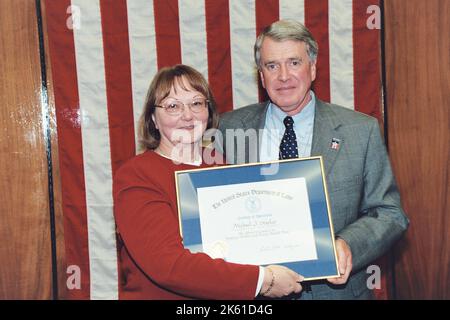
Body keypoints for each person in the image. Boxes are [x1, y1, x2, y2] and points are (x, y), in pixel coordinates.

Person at [218, 20, 409, 299]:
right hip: (256, 293)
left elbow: (390, 214)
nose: (284, 76)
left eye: (294, 62)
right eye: (272, 66)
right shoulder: (229, 129)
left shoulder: (360, 130)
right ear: (261, 76)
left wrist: (348, 245)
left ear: (313, 68)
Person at [113, 64, 303, 299]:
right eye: (173, 106)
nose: (187, 115)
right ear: (153, 118)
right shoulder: (137, 175)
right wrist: (263, 280)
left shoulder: (221, 167)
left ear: (208, 111)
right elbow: (167, 266)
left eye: (196, 103)